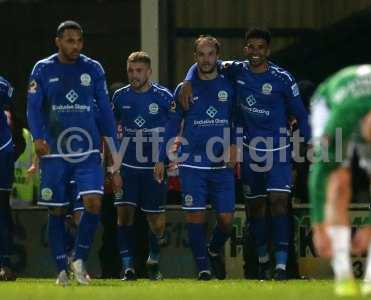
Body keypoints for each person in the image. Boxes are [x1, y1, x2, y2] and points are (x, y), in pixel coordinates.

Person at [179, 28, 310, 280]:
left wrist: (311, 142)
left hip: (279, 151)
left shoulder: (282, 78)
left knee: (279, 202)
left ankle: (281, 266)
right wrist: (187, 78)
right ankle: (262, 261)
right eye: (251, 47)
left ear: (268, 51)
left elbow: (301, 114)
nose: (255, 52)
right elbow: (205, 63)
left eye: (260, 47)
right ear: (245, 49)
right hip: (249, 151)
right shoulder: (235, 70)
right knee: (256, 207)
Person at [26, 20, 121, 286]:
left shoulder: (93, 68)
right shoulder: (43, 69)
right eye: (69, 41)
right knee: (56, 211)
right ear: (58, 42)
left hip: (87, 149)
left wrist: (113, 149)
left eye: (79, 41)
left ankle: (78, 259)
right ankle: (60, 269)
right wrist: (38, 138)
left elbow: (104, 110)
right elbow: (33, 108)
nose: (75, 46)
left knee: (93, 203)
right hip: (55, 152)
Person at [309, 64, 371, 297]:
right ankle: (344, 277)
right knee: (339, 181)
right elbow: (320, 173)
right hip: (331, 103)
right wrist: (318, 225)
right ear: (365, 124)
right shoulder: (344, 116)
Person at [155, 35, 237, 280]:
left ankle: (213, 249)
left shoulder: (229, 84)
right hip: (191, 162)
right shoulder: (184, 89)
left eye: (210, 54)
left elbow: (236, 119)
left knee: (226, 220)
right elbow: (172, 125)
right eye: (201, 55)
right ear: (195, 57)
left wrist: (234, 144)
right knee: (195, 216)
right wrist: (161, 157)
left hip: (221, 162)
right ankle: (203, 268)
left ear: (217, 56)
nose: (206, 59)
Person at [111, 51, 171, 281]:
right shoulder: (120, 97)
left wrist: (164, 159)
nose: (134, 75)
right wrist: (113, 168)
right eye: (130, 71)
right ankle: (128, 267)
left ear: (149, 72)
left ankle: (153, 261)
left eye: (138, 71)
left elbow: (174, 128)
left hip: (154, 167)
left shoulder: (164, 97)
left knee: (156, 221)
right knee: (124, 216)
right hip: (127, 165)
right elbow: (110, 129)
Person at [0, 76, 16, 281]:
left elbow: (8, 111)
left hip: (1, 150)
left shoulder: (3, 84)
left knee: (1, 208)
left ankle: (4, 262)